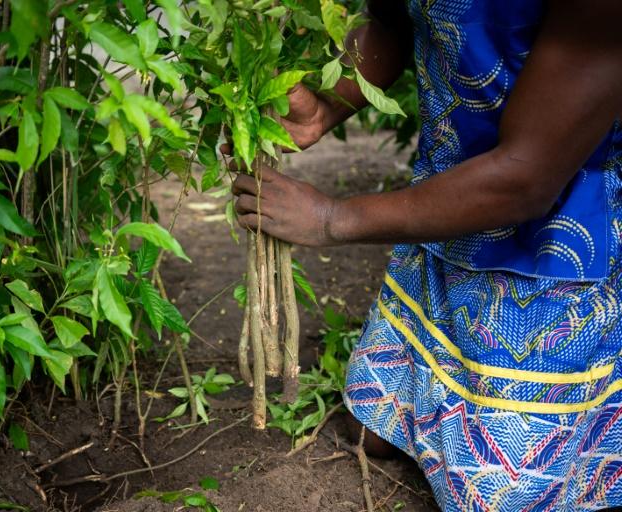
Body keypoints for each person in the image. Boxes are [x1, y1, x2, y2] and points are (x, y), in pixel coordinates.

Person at [230, 1, 622, 510]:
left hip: (559, 231)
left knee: (497, 495)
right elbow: (397, 17)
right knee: (374, 429)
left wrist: (333, 218)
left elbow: (528, 178)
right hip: (448, 202)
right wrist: (329, 103)